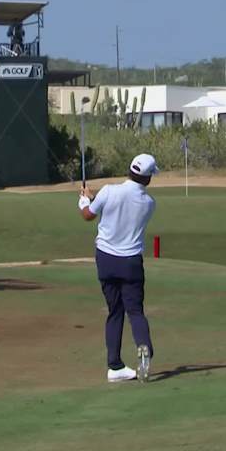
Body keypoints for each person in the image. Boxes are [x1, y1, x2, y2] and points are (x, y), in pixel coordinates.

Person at [78, 154, 159, 383]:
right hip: (131, 262)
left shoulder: (108, 191)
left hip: (105, 259)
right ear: (147, 178)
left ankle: (115, 366)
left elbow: (87, 216)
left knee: (115, 311)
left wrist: (84, 200)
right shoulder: (149, 203)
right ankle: (144, 347)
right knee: (135, 311)